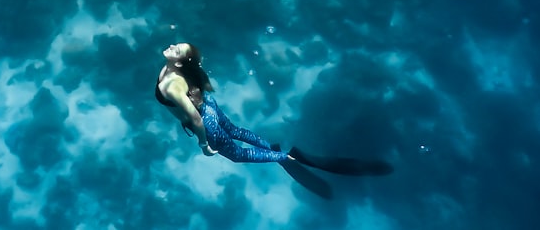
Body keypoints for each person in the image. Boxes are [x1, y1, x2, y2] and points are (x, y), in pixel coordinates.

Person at [155, 42, 393, 198]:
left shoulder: (170, 85)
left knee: (239, 155)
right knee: (236, 131)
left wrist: (204, 145)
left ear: (178, 62)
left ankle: (285, 156)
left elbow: (195, 119)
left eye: (177, 50)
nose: (173, 45)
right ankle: (273, 149)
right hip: (210, 107)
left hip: (205, 121)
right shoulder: (178, 70)